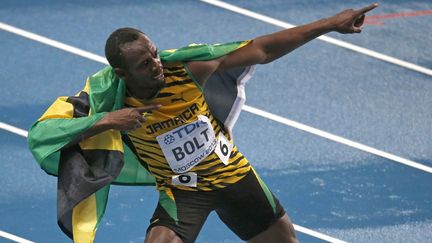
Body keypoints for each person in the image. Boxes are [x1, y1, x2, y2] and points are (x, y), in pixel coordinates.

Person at [29, 3, 378, 243]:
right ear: (122, 73)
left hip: (234, 175)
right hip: (183, 191)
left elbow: (264, 49)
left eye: (154, 53)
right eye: (144, 63)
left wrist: (330, 24)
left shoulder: (188, 69)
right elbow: (43, 134)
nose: (156, 64)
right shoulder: (107, 99)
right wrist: (107, 121)